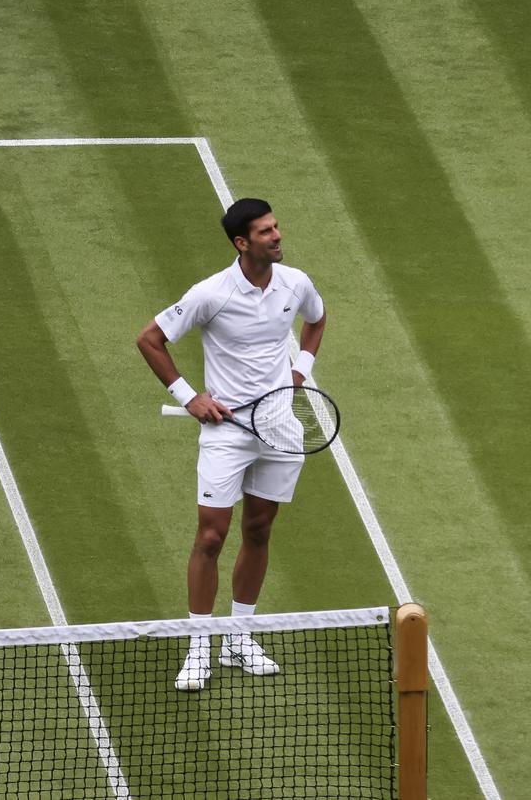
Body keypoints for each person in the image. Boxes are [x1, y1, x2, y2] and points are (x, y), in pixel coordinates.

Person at [136, 198, 327, 692]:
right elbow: (150, 339)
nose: (277, 236)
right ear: (242, 244)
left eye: (276, 227)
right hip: (226, 432)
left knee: (260, 530)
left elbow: (316, 319)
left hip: (281, 426)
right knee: (211, 538)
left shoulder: (295, 283)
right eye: (266, 232)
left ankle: (239, 638)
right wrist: (189, 396)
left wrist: (299, 371)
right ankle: (200, 646)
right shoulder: (211, 293)